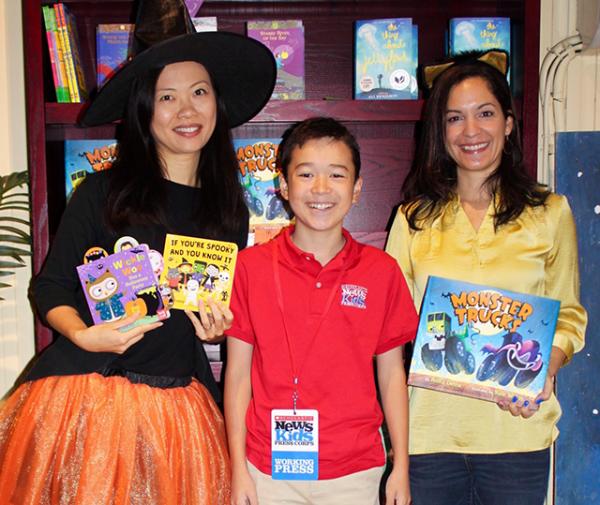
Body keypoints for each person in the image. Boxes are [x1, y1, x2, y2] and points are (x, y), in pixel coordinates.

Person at [0, 0, 276, 502]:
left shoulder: (229, 211)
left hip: (178, 405)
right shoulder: (102, 193)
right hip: (91, 398)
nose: (186, 111)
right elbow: (51, 285)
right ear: (145, 110)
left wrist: (217, 326)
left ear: (217, 102)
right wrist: (85, 335)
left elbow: (206, 309)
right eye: (167, 97)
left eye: (198, 92)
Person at [385, 50, 587, 505]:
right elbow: (392, 323)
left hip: (517, 433)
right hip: (429, 436)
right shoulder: (413, 218)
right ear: (440, 130)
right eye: (455, 118)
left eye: (486, 114)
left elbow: (569, 315)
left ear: (509, 123)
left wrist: (544, 370)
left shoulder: (550, 214)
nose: (471, 131)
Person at [225, 117, 418, 505]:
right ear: (283, 185)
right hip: (267, 467)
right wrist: (237, 467)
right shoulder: (249, 267)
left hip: (356, 469)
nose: (321, 189)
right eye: (306, 174)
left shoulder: (381, 271)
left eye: (337, 175)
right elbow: (238, 374)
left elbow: (392, 372)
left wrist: (402, 465)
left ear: (358, 188)